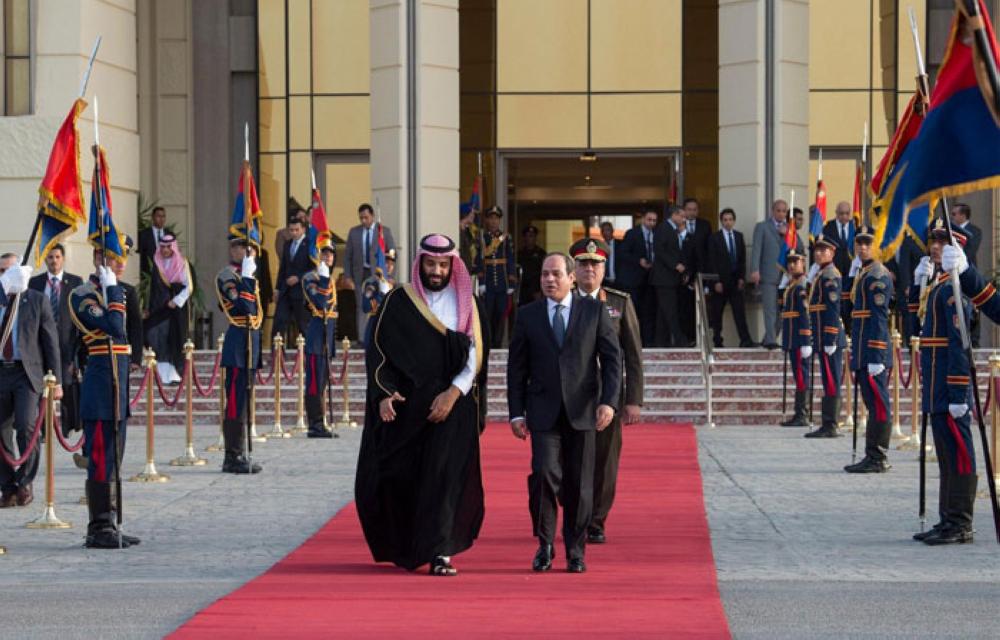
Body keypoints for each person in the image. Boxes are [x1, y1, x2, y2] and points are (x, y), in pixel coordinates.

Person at [356, 234, 485, 576]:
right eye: (431, 263)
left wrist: (452, 394)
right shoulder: (400, 301)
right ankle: (409, 547)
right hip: (408, 408)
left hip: (452, 406)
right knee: (405, 477)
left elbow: (474, 357)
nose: (437, 270)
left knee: (444, 478)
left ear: (452, 266)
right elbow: (379, 351)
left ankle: (441, 551)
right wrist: (384, 393)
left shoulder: (467, 303)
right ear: (420, 264)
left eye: (444, 265)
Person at [507, 252, 621, 574]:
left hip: (583, 412)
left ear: (572, 278)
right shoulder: (527, 315)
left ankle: (575, 549)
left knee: (579, 483)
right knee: (543, 474)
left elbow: (613, 361)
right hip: (542, 413)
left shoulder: (595, 311)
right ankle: (544, 544)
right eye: (545, 274)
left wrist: (609, 403)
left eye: (556, 274)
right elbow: (516, 368)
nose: (549, 280)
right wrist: (516, 413)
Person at [568, 238, 642, 545]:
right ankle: (574, 514)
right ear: (574, 268)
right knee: (570, 459)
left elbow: (633, 353)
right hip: (570, 393)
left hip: (608, 395)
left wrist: (634, 400)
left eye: (594, 264)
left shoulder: (619, 303)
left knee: (604, 460)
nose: (589, 269)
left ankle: (596, 520)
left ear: (603, 268)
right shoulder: (563, 299)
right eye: (583, 264)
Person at [909, 220, 977, 544]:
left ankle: (961, 522)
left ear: (956, 249)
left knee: (959, 453)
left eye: (943, 242)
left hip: (949, 389)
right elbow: (916, 324)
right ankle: (946, 518)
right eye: (933, 241)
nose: (935, 246)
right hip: (936, 387)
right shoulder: (936, 286)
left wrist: (958, 391)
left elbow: (959, 346)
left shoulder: (954, 291)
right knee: (946, 456)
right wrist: (916, 284)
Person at [68, 245, 138, 548]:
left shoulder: (115, 292)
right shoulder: (83, 295)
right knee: (99, 457)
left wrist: (113, 291)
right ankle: (98, 527)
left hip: (117, 388)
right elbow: (115, 327)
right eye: (111, 258)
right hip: (99, 389)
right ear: (97, 260)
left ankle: (112, 521)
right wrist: (111, 290)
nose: (118, 264)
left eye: (120, 258)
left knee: (115, 458)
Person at [0, 254, 61, 510]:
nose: (5, 274)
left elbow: (50, 342)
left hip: (27, 374)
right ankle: (8, 486)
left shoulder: (36, 300)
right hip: (1, 372)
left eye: (10, 269)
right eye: (2, 270)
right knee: (0, 431)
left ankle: (25, 482)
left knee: (26, 426)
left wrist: (55, 379)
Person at [843, 225, 893, 474]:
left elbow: (879, 318)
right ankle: (872, 454)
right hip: (863, 349)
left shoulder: (877, 276)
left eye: (868, 243)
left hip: (873, 351)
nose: (862, 247)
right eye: (859, 243)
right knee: (871, 404)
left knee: (879, 405)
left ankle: (878, 456)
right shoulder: (864, 273)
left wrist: (876, 353)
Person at [216, 237, 263, 474]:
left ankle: (240, 452)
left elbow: (255, 311)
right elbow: (242, 307)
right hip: (237, 346)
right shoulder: (227, 276)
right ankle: (231, 456)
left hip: (250, 343)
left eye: (251, 248)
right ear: (233, 249)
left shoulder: (249, 275)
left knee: (244, 403)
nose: (248, 252)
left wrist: (248, 276)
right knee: (235, 404)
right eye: (243, 247)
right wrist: (245, 277)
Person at [28, 244, 84, 436]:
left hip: (66, 343)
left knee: (66, 386)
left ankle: (66, 428)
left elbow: (79, 318)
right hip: (39, 343)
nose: (54, 261)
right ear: (45, 260)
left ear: (63, 258)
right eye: (50, 257)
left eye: (57, 257)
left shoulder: (75, 282)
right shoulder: (35, 283)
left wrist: (76, 354)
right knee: (42, 387)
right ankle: (43, 428)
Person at [803, 234, 846, 438]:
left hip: (828, 335)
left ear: (832, 252)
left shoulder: (830, 275)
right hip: (820, 333)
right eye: (817, 250)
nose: (819, 253)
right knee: (828, 378)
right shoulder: (821, 273)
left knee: (831, 378)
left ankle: (831, 424)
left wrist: (830, 338)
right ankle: (828, 422)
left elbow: (832, 308)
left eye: (823, 250)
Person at [750, 199, 803, 349]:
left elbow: (799, 246)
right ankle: (772, 341)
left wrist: (789, 233)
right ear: (773, 211)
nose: (781, 214)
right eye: (778, 210)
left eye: (784, 211)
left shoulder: (788, 228)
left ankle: (768, 338)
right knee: (770, 309)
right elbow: (756, 249)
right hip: (768, 273)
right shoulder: (762, 227)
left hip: (786, 276)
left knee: (783, 310)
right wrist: (755, 270)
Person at [144, 234, 192, 385]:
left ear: (173, 247)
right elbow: (153, 289)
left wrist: (176, 301)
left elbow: (188, 287)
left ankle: (174, 374)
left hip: (175, 309)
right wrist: (149, 308)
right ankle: (160, 373)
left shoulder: (182, 263)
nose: (165, 250)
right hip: (159, 308)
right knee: (155, 337)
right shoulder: (157, 263)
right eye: (162, 247)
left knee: (173, 340)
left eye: (168, 246)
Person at [301, 240, 337, 438]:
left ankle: (321, 422)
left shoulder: (329, 279)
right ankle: (314, 424)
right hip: (316, 335)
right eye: (324, 253)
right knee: (314, 383)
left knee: (321, 382)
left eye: (330, 253)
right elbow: (321, 303)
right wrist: (323, 279)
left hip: (327, 336)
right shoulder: (310, 278)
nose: (328, 256)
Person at [704, 208, 753, 348]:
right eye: (725, 220)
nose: (728, 222)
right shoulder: (714, 238)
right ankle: (717, 341)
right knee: (717, 313)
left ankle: (745, 340)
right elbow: (711, 261)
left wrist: (742, 278)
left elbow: (742, 259)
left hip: (735, 281)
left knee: (739, 313)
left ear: (734, 221)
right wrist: (716, 281)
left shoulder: (738, 236)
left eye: (730, 219)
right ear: (721, 221)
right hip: (720, 282)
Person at [475, 205, 516, 348]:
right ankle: (488, 344)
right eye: (491, 218)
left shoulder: (505, 238)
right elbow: (479, 260)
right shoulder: (482, 237)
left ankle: (497, 344)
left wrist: (511, 283)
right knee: (487, 315)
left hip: (502, 284)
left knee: (501, 316)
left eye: (496, 219)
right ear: (487, 220)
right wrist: (481, 281)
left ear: (499, 221)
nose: (493, 222)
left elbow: (510, 259)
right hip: (488, 283)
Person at [778, 250, 811, 427]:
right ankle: (799, 412)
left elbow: (805, 314)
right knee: (798, 374)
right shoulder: (792, 284)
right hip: (791, 337)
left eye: (795, 261)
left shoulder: (802, 285)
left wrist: (806, 340)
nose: (791, 265)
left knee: (801, 374)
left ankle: (802, 413)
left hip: (799, 338)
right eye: (789, 261)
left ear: (803, 263)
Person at [617, 210, 658, 346]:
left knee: (648, 314)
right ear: (643, 219)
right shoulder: (632, 234)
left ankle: (648, 343)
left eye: (654, 220)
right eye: (649, 219)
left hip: (650, 281)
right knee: (631, 313)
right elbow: (623, 253)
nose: (651, 223)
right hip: (633, 281)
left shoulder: (657, 235)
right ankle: (631, 342)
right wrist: (638, 261)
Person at [651, 206, 689, 348]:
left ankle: (660, 341)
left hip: (671, 278)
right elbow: (659, 250)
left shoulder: (674, 230)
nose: (684, 219)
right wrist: (675, 265)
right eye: (682, 216)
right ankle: (680, 340)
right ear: (674, 215)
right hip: (664, 278)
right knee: (670, 309)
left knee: (663, 311)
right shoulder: (663, 228)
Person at [272, 215, 312, 337]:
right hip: (286, 290)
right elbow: (283, 267)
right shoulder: (287, 244)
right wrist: (277, 288)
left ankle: (307, 354)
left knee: (303, 325)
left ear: (303, 229)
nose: (294, 233)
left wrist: (299, 278)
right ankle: (278, 354)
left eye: (297, 230)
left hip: (301, 291)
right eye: (291, 230)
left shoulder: (310, 244)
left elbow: (314, 268)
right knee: (279, 323)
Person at [950, 202, 981, 346]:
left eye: (954, 214)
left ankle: (974, 339)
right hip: (952, 274)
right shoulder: (949, 230)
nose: (952, 217)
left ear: (963, 215)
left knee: (972, 305)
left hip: (968, 272)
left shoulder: (975, 230)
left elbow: (970, 251)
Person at [679, 198, 710, 341]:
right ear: (684, 210)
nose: (692, 212)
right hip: (683, 273)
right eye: (689, 209)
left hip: (701, 271)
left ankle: (700, 338)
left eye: (694, 209)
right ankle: (687, 337)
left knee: (702, 308)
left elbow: (709, 249)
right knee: (685, 308)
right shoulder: (678, 225)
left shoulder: (705, 225)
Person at [822, 202, 855, 333]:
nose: (844, 216)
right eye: (841, 213)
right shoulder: (828, 228)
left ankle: (849, 330)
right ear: (836, 213)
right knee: (834, 302)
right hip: (834, 272)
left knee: (849, 303)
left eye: (847, 213)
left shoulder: (855, 227)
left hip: (850, 273)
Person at [516, 225, 546, 306]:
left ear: (535, 238)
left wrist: (540, 290)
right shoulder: (519, 254)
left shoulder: (541, 253)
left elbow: (544, 272)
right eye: (527, 236)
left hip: (536, 289)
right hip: (523, 290)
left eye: (531, 236)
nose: (529, 239)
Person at [138, 205, 167, 275]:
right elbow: (141, 254)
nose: (161, 219)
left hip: (167, 273)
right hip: (149, 273)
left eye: (163, 216)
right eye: (158, 216)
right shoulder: (144, 234)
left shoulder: (170, 235)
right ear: (153, 217)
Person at [599, 222, 619, 288]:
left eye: (607, 230)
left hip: (618, 281)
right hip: (603, 282)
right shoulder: (599, 246)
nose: (605, 233)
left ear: (612, 231)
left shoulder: (621, 245)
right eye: (603, 231)